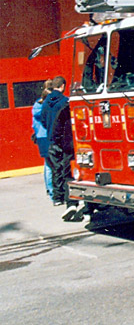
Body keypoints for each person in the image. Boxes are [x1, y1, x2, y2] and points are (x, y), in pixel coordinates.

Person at [40, 76, 83, 221]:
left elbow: (44, 120)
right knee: (67, 169)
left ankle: (57, 197)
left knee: (54, 168)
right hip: (65, 141)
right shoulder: (65, 102)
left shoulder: (45, 103)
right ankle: (68, 198)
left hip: (52, 139)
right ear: (63, 86)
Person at [31, 79, 54, 201]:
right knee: (51, 165)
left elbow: (34, 124)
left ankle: (50, 190)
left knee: (47, 164)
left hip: (40, 137)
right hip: (48, 136)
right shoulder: (47, 106)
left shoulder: (36, 105)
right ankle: (53, 192)